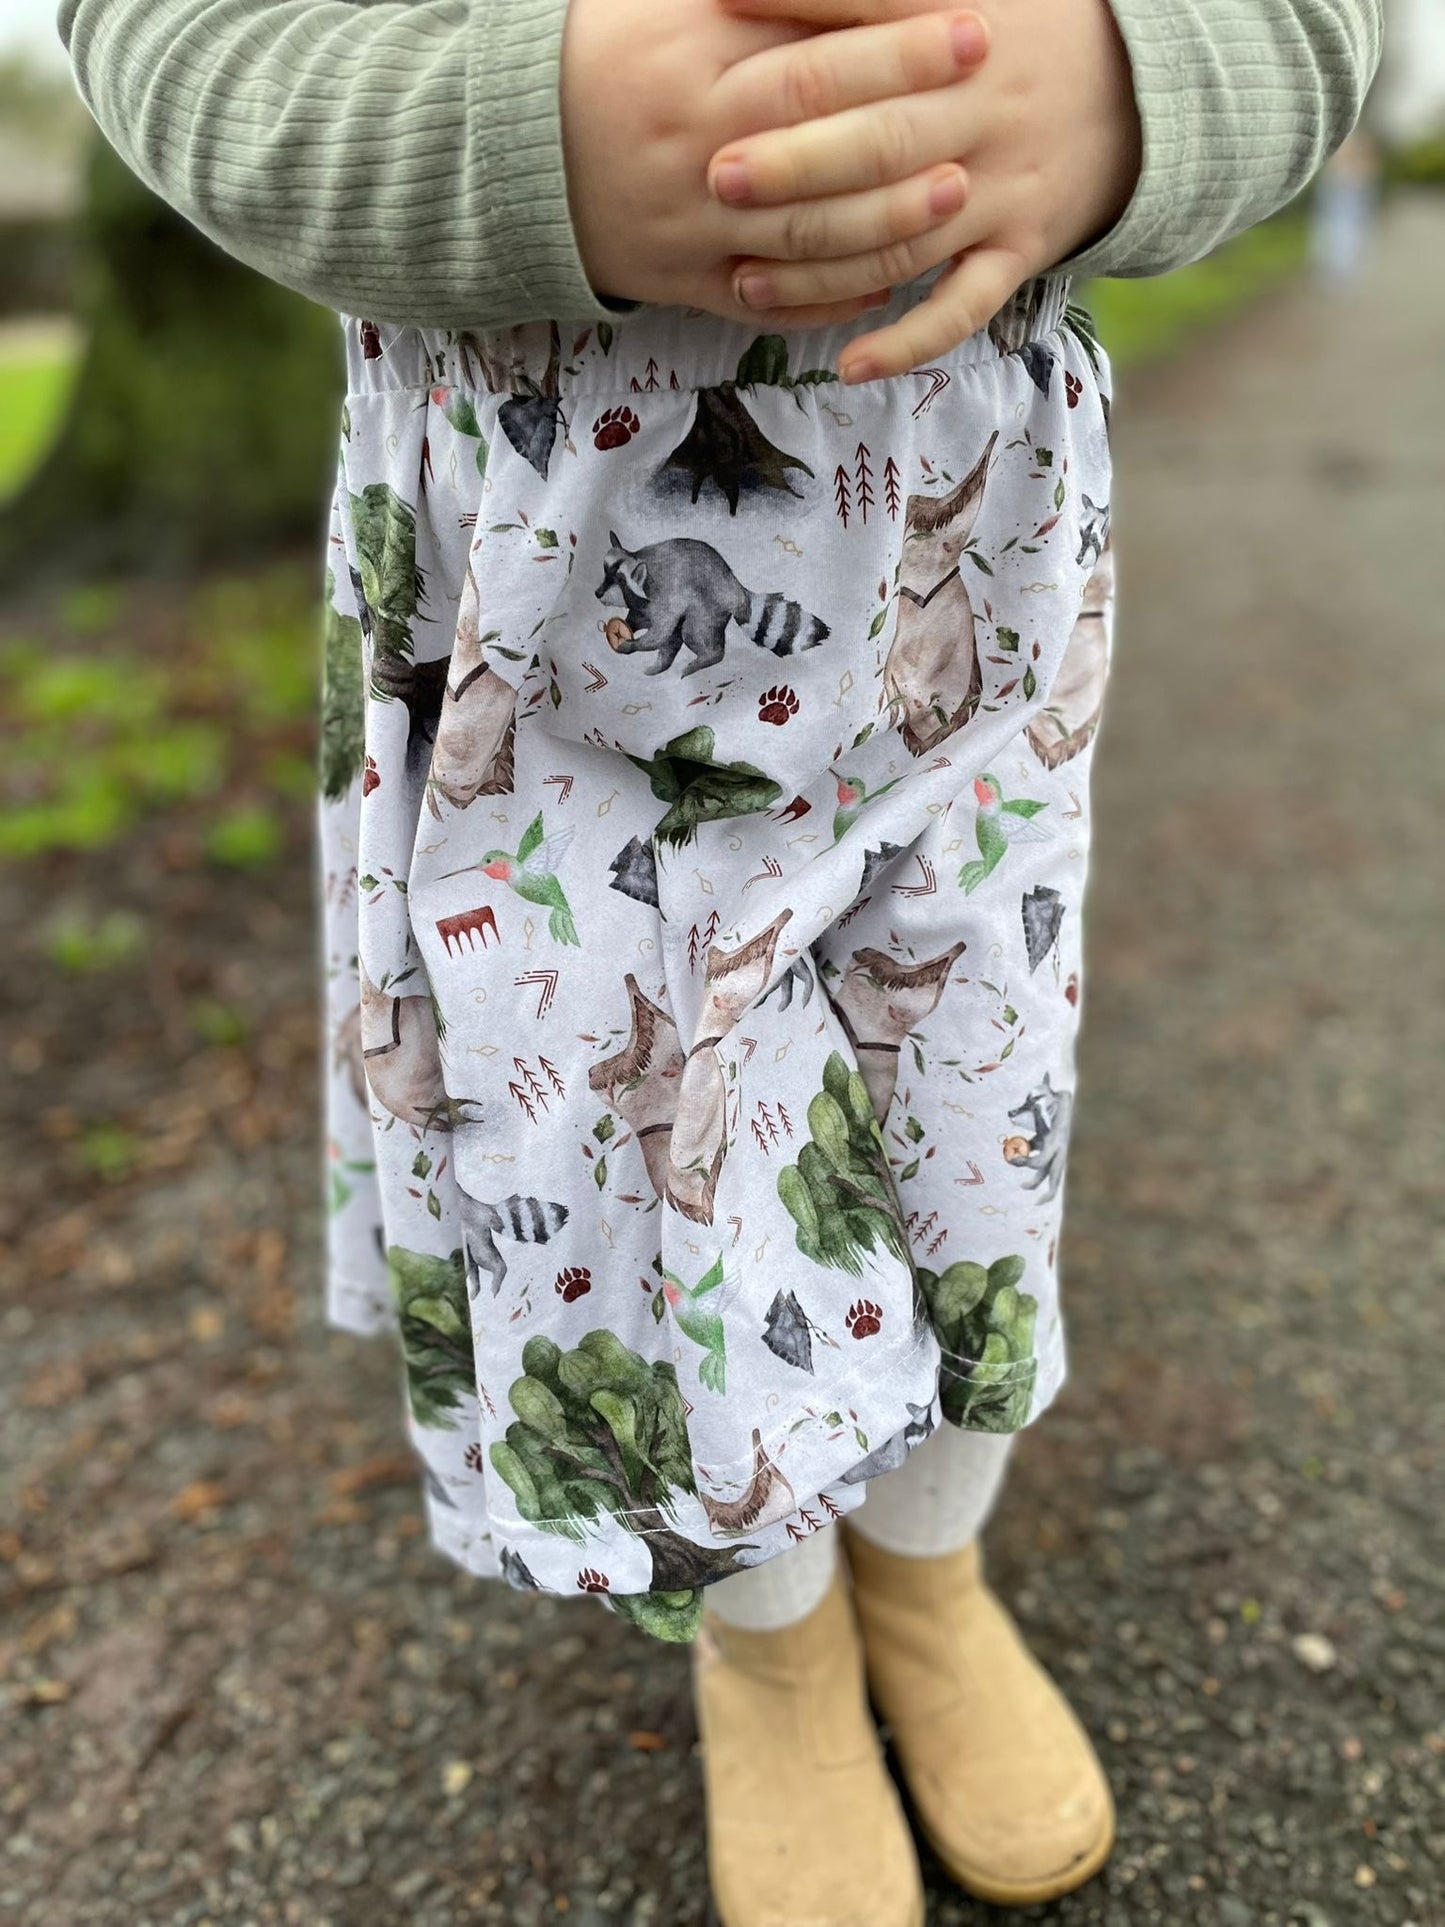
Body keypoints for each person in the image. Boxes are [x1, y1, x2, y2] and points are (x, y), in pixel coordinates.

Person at [59, 0, 1382, 1919]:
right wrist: (521, 135)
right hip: (542, 576)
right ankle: (766, 1631)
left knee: (969, 1088)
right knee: (635, 1149)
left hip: (965, 552)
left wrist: (1129, 92)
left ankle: (927, 1572)